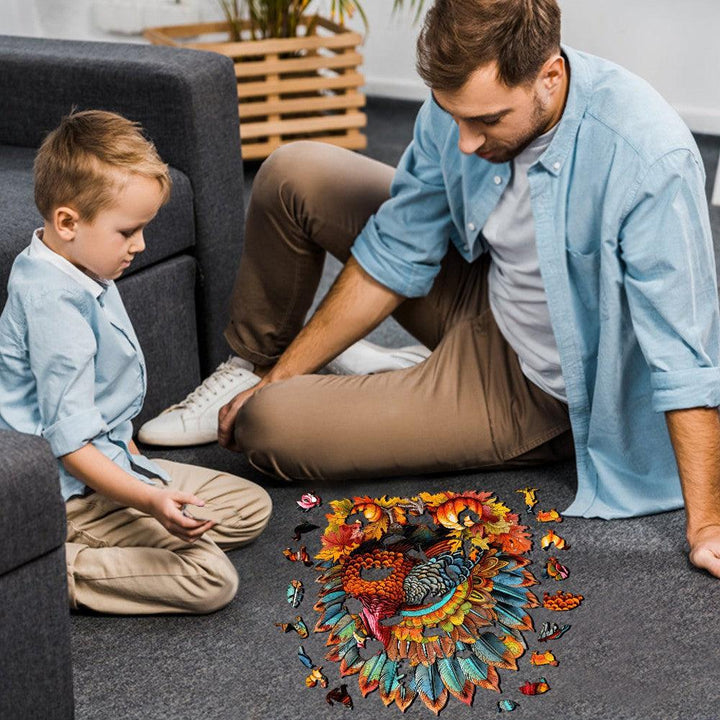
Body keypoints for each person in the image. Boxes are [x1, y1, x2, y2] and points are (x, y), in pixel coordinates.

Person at [139, 0, 720, 578]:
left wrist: (708, 526)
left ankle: (375, 381)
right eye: (454, 115)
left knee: (265, 425)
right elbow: (397, 246)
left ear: (550, 75)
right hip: (486, 288)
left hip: (541, 387)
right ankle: (254, 366)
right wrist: (276, 375)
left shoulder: (647, 157)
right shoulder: (463, 105)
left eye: (488, 121)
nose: (465, 141)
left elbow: (682, 354)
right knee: (294, 173)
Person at [0, 110, 272, 614]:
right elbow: (72, 448)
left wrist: (137, 470)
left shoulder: (82, 265)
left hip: (110, 464)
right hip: (72, 492)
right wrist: (148, 500)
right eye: (128, 232)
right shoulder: (52, 304)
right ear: (67, 222)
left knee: (251, 508)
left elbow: (102, 408)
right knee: (211, 579)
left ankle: (137, 538)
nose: (140, 245)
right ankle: (52, 568)